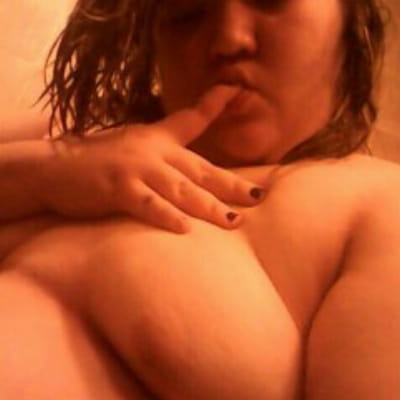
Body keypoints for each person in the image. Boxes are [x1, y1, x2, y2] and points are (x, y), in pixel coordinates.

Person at [0, 0, 399, 399]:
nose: (228, 40)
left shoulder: (376, 202)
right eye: (186, 13)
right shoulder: (79, 139)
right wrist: (48, 174)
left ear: (349, 24)